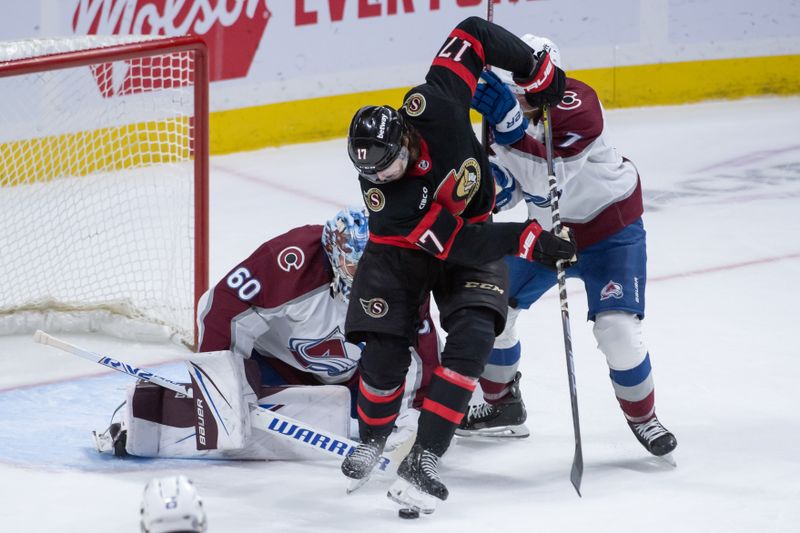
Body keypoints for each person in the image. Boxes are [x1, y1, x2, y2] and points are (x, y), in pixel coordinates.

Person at [340, 17, 577, 510]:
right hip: (410, 250)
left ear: (404, 137)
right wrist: (529, 239)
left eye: (386, 164)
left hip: (469, 231)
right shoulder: (389, 202)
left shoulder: (438, 101)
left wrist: (533, 68)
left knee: (473, 336)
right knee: (384, 354)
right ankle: (372, 435)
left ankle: (425, 454)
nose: (379, 177)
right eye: (370, 172)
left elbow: (473, 33)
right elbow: (460, 244)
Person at [459, 34, 677, 457]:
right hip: (545, 236)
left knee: (617, 330)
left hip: (609, 233)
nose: (520, 102)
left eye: (526, 92)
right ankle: (502, 406)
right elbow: (517, 186)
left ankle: (643, 417)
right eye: (513, 93)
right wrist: (490, 191)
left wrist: (508, 131)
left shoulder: (580, 106)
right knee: (492, 311)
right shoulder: (499, 118)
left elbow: (546, 180)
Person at [93, 207, 441, 460]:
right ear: (334, 256)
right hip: (274, 367)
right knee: (218, 420)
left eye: (374, 262)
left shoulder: (401, 274)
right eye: (355, 264)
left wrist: (417, 412)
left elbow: (418, 347)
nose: (367, 275)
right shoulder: (289, 262)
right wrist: (224, 386)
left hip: (356, 380)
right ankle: (139, 419)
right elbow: (219, 308)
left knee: (427, 412)